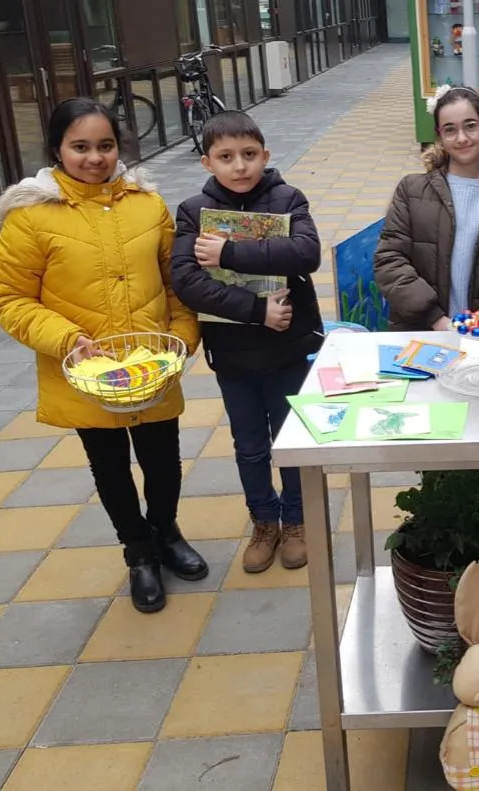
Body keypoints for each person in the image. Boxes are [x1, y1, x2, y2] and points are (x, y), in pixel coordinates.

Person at [0, 97, 206, 614]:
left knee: (163, 459)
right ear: (57, 150)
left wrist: (182, 332)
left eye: (105, 146)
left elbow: (175, 279)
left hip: (151, 363)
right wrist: (64, 338)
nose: (94, 158)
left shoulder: (146, 204)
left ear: (118, 148)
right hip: (86, 370)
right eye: (80, 147)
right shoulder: (30, 218)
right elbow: (6, 297)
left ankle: (167, 532)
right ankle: (138, 553)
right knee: (108, 465)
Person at [170, 111, 322, 574]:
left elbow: (306, 253)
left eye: (249, 155)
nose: (240, 166)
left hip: (288, 349)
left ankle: (297, 520)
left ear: (265, 155)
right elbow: (186, 280)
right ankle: (264, 520)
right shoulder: (194, 212)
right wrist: (257, 311)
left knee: (293, 439)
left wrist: (229, 252)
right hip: (234, 355)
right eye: (227, 157)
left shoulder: (287, 198)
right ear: (207, 162)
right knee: (250, 444)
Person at [374, 85, 479, 331]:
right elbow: (390, 260)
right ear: (440, 136)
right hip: (422, 334)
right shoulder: (412, 191)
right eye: (450, 130)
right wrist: (436, 320)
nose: (462, 138)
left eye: (470, 126)